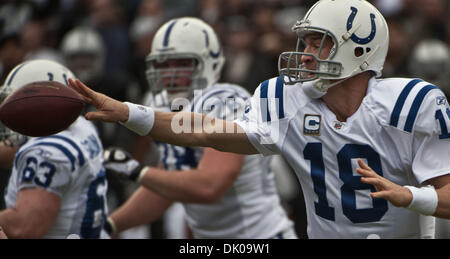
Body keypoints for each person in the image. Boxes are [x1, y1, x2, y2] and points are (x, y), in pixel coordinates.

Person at [69, 0, 450, 238]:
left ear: (360, 47)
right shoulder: (286, 99)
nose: (305, 54)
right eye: (306, 42)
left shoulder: (411, 103)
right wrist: (128, 113)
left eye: (320, 43)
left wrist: (411, 196)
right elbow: (205, 131)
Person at [101, 17, 296, 239]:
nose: (170, 73)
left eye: (182, 63)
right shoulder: (160, 105)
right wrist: (110, 225)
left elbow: (209, 186)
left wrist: (136, 171)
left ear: (209, 63)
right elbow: (165, 187)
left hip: (259, 237)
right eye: (163, 64)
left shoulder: (227, 101)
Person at [0, 59, 108, 238]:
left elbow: (24, 227)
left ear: (38, 102)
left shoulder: (47, 153)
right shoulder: (81, 126)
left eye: (13, 102)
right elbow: (15, 150)